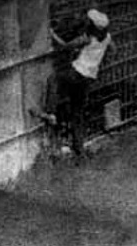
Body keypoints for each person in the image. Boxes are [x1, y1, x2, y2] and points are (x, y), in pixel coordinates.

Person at [47, 9, 113, 157]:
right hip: (89, 77)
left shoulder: (87, 39)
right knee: (77, 111)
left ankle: (51, 112)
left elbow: (65, 46)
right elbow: (113, 50)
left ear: (92, 26)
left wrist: (52, 34)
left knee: (53, 79)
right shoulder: (107, 38)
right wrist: (98, 57)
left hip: (76, 72)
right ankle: (79, 148)